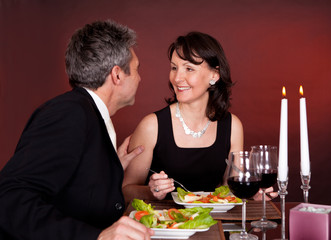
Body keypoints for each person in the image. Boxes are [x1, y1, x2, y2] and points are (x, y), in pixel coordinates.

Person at [0, 20, 153, 240]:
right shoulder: (69, 114)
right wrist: (97, 238)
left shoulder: (88, 113)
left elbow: (75, 192)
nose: (140, 78)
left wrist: (109, 171)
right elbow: (9, 200)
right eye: (137, 69)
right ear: (117, 75)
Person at [122, 31, 244, 202]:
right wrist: (152, 192)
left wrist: (253, 193)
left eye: (189, 68)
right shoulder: (152, 126)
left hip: (218, 225)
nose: (177, 78)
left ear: (214, 75)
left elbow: (231, 189)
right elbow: (125, 191)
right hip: (166, 226)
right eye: (174, 68)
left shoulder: (233, 126)